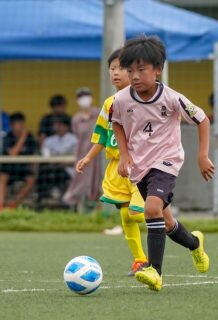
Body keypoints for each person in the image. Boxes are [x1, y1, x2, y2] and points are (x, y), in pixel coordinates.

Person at [112, 36, 214, 291]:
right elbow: (117, 123)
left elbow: (202, 119)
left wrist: (202, 156)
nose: (134, 76)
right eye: (130, 70)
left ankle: (154, 272)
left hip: (166, 162)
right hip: (140, 168)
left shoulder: (171, 98)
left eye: (141, 69)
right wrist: (124, 155)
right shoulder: (122, 100)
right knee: (165, 222)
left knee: (151, 208)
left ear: (158, 69)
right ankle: (195, 244)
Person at [76, 49, 148, 276]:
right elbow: (102, 136)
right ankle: (139, 259)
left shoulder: (143, 100)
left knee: (138, 213)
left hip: (139, 165)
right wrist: (88, 157)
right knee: (126, 215)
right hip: (118, 168)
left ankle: (165, 216)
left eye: (121, 68)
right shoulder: (108, 104)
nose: (116, 73)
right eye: (112, 68)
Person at [62, 88, 101, 209]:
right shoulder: (76, 119)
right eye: (81, 96)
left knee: (99, 182)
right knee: (81, 181)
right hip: (83, 154)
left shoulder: (99, 113)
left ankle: (99, 212)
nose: (84, 99)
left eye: (86, 95)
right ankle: (79, 208)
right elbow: (77, 135)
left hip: (99, 154)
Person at [0, 112, 37, 209]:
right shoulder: (7, 137)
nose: (21, 126)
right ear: (11, 125)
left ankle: (14, 204)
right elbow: (13, 153)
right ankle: (0, 205)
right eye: (18, 123)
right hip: (9, 168)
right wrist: (22, 137)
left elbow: (34, 153)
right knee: (2, 177)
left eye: (22, 123)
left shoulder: (30, 137)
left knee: (31, 180)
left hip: (23, 167)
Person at [37, 115, 77, 201]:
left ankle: (63, 199)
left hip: (68, 169)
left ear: (66, 126)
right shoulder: (49, 140)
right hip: (52, 167)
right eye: (56, 125)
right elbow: (45, 155)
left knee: (60, 174)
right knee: (42, 172)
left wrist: (62, 163)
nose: (57, 127)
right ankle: (42, 199)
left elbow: (77, 158)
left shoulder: (73, 140)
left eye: (60, 125)